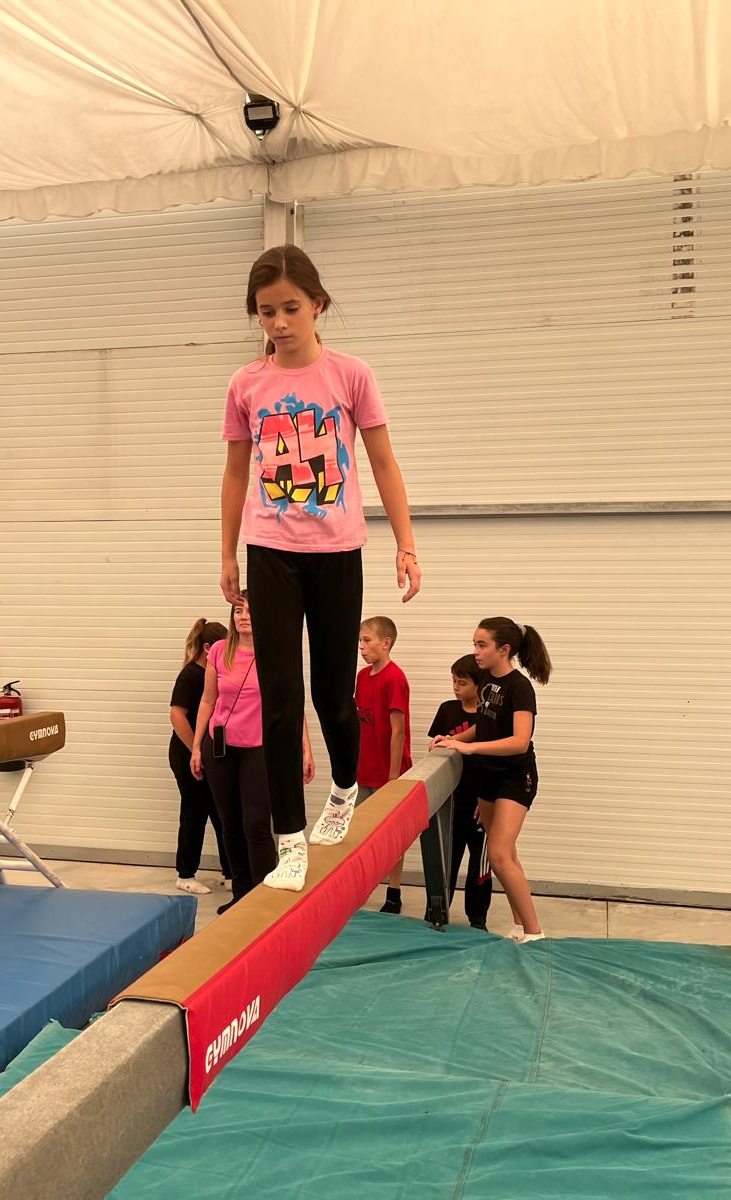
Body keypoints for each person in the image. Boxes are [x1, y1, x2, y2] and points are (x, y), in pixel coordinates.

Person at [219, 245, 421, 893]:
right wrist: (226, 553)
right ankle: (289, 841)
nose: (279, 323)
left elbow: (383, 462)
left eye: (291, 308)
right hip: (269, 550)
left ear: (318, 305)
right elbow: (235, 473)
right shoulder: (247, 384)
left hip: (337, 552)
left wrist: (406, 544)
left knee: (333, 695)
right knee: (280, 700)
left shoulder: (350, 375)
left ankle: (342, 788)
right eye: (266, 312)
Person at [190, 593, 314, 911]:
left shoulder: (276, 651)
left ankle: (263, 899)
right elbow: (207, 700)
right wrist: (196, 746)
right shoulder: (220, 651)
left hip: (259, 748)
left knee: (256, 824)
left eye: (250, 610)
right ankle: (241, 894)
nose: (243, 616)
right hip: (221, 747)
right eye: (237, 610)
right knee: (229, 824)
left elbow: (292, 704)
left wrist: (305, 748)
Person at [431, 618, 551, 943]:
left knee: (497, 854)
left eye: (482, 645)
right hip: (487, 774)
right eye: (474, 643)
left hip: (515, 776)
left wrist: (470, 748)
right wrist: (453, 739)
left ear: (504, 649)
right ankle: (519, 924)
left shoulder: (519, 687)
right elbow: (483, 725)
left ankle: (535, 933)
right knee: (506, 854)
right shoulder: (485, 679)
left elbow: (519, 741)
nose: (476, 651)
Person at [169, 618, 233, 894]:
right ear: (208, 648)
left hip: (209, 753)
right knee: (194, 812)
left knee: (221, 812)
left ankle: (231, 872)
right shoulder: (191, 675)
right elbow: (177, 716)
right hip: (186, 753)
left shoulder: (214, 675)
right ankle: (185, 874)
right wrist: (194, 749)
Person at [429, 655, 491, 930]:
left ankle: (477, 919)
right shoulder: (447, 710)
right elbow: (437, 754)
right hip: (453, 801)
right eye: (453, 681)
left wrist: (487, 799)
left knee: (480, 866)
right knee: (447, 862)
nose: (456, 687)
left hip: (481, 804)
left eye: (462, 683)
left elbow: (494, 760)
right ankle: (438, 913)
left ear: (479, 685)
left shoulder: (488, 717)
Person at [354, 616, 411, 914]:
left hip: (388, 771)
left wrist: (393, 776)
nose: (361, 647)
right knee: (358, 830)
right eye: (360, 641)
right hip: (363, 767)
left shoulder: (395, 679)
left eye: (367, 641)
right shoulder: (363, 677)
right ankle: (360, 886)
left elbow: (398, 730)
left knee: (391, 835)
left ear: (385, 643)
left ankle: (394, 890)